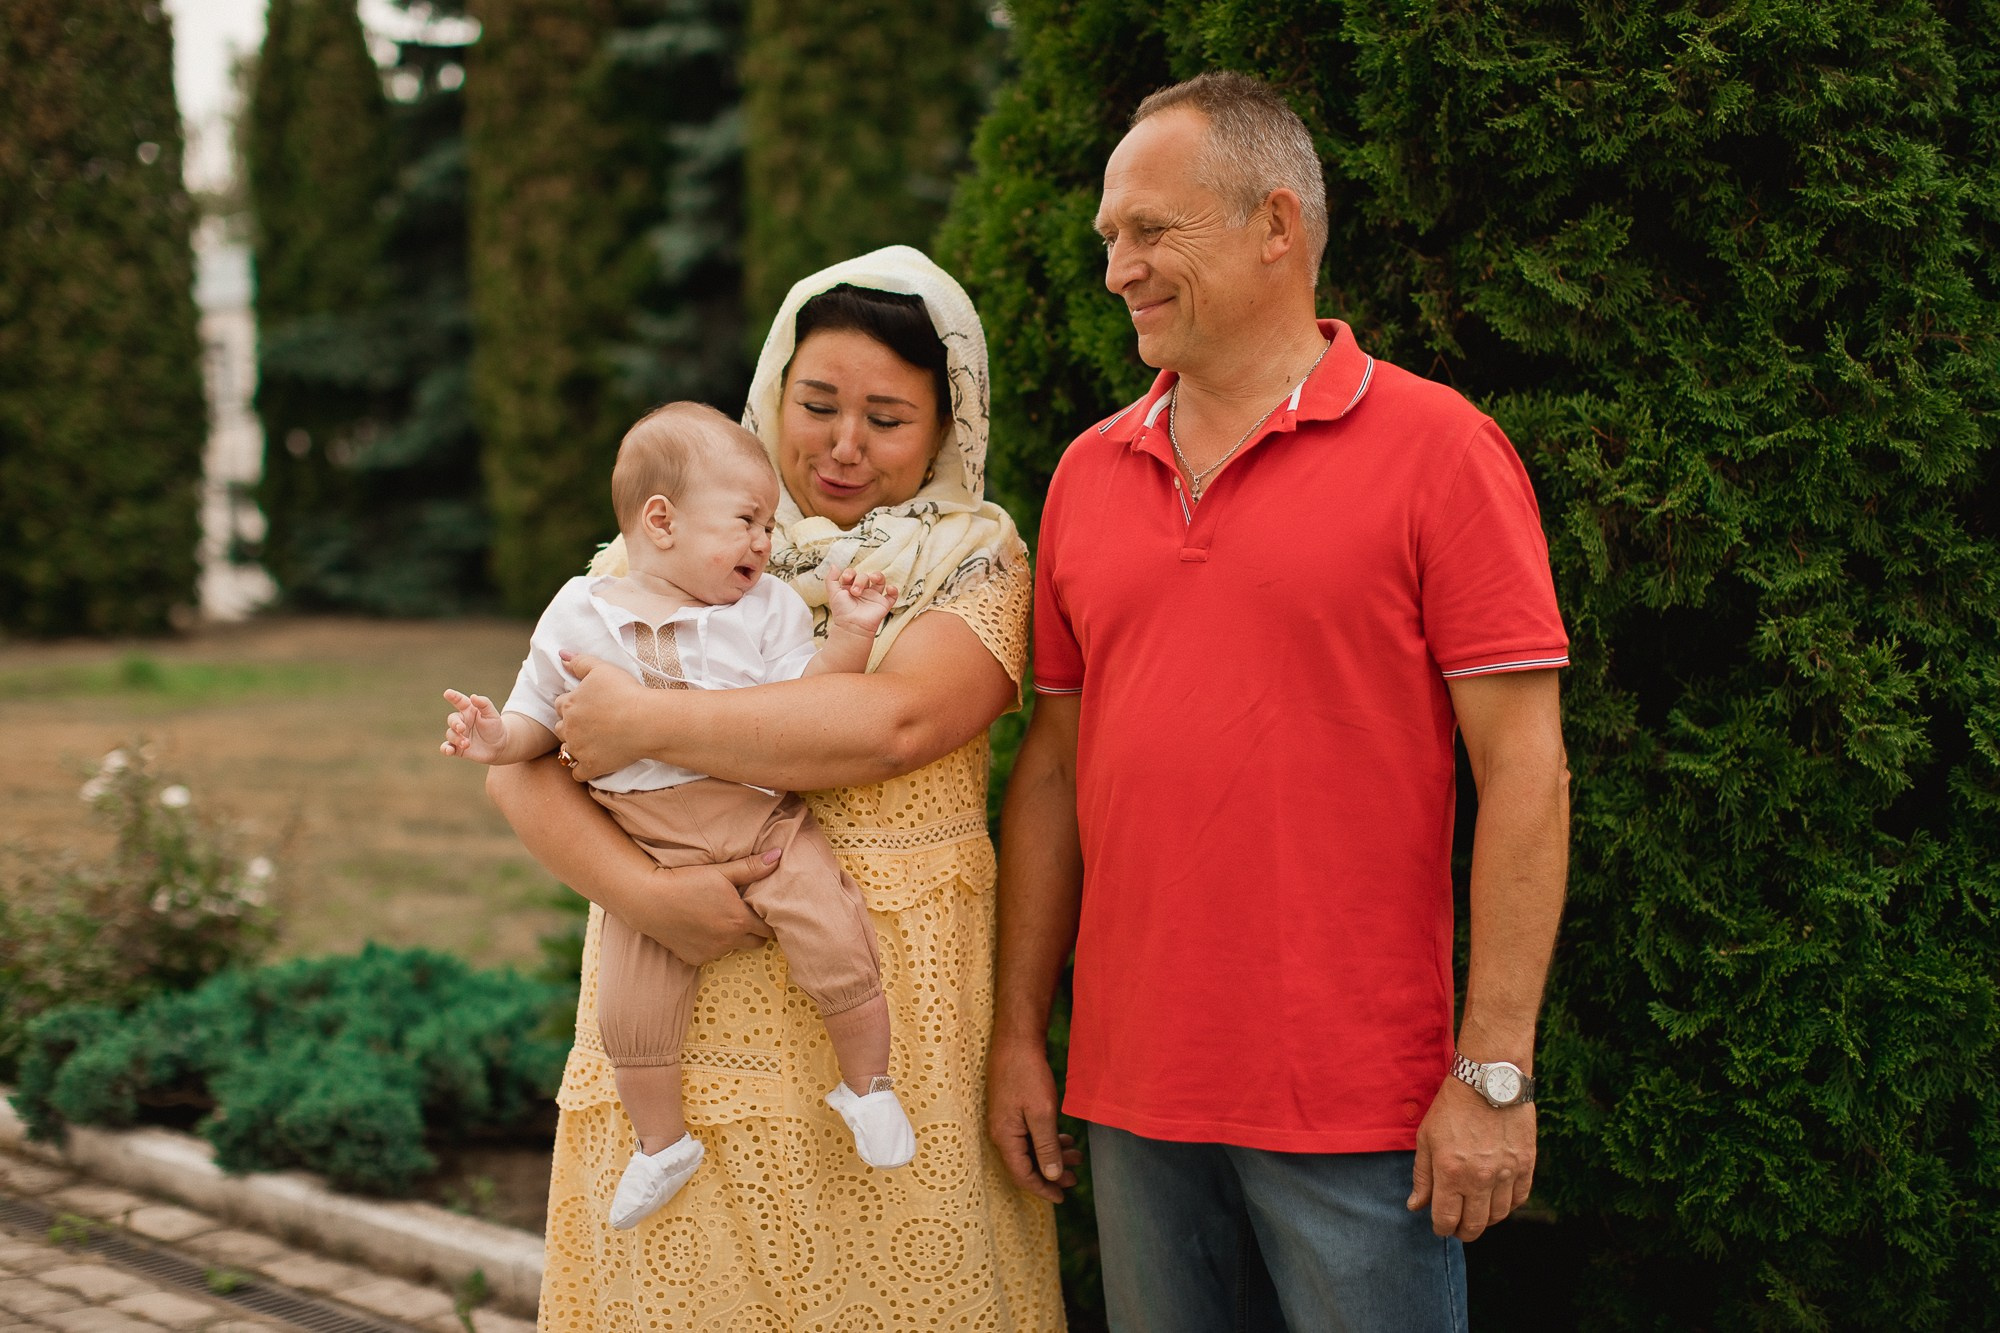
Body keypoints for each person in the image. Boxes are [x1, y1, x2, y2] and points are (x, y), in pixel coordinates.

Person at [988, 72, 1570, 1332]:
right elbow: (1052, 769)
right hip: (1132, 1095)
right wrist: (1016, 1034)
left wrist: (1495, 1074)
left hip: (1357, 1106)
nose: (1117, 270)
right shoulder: (1088, 474)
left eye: (1149, 232)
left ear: (1275, 225)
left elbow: (1524, 769)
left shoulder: (1440, 449)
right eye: (1108, 241)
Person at [486, 247, 1069, 1329]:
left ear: (948, 426)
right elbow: (522, 775)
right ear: (771, 395)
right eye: (817, 404)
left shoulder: (974, 565)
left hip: (897, 1017)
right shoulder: (643, 566)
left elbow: (889, 723)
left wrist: (646, 721)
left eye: (887, 417)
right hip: (686, 1004)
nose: (842, 446)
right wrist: (643, 892)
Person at [440, 403, 917, 1232]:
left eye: (769, 524)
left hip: (760, 820)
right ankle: (661, 1142)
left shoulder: (764, 609)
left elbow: (808, 703)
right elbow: (538, 721)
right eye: (746, 521)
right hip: (644, 841)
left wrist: (849, 629)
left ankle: (868, 1083)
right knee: (630, 1008)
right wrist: (493, 735)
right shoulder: (579, 610)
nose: (765, 541)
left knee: (834, 932)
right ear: (660, 520)